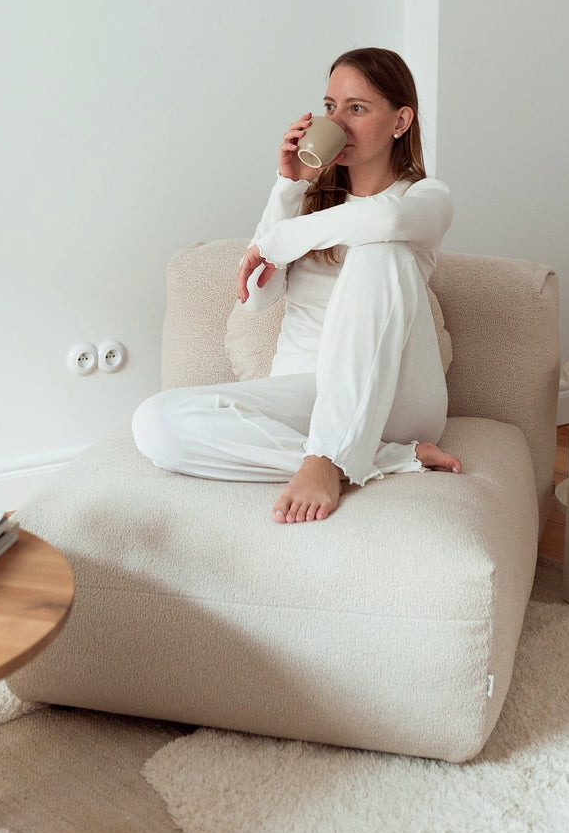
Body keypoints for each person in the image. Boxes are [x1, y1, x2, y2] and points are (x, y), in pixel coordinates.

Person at [132, 47, 461, 524]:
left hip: (397, 397)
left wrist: (283, 238)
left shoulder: (426, 198)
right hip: (307, 389)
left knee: (382, 247)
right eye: (330, 107)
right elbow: (257, 299)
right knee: (155, 424)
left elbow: (385, 217)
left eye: (357, 108)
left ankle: (332, 456)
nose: (338, 122)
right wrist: (289, 186)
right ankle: (380, 459)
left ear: (400, 121)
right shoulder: (309, 202)